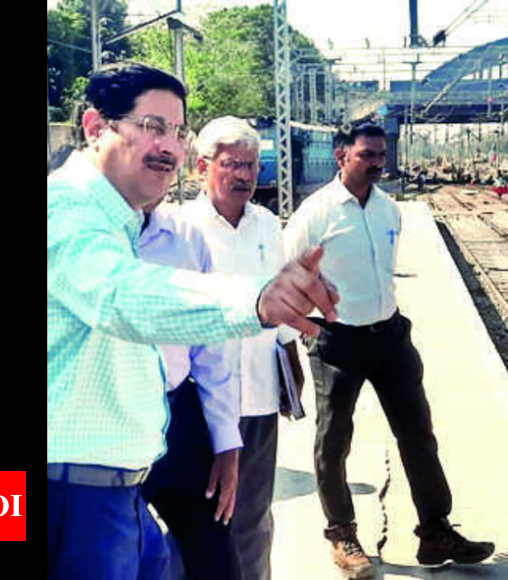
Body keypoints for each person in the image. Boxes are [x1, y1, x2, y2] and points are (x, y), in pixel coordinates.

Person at [48, 63, 338, 580]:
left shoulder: (119, 220)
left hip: (116, 488)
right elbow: (119, 296)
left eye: (177, 131)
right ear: (95, 128)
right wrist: (256, 300)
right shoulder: (64, 210)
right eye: (152, 126)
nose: (169, 146)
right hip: (67, 496)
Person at [282, 124, 495, 579]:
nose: (378, 161)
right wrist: (307, 330)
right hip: (338, 340)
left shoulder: (388, 210)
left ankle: (435, 530)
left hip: (390, 335)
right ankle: (342, 534)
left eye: (381, 153)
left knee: (418, 432)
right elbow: (288, 274)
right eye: (367, 154)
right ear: (342, 156)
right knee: (334, 440)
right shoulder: (316, 213)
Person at [180, 116, 301, 580]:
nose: (244, 175)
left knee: (252, 517)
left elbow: (282, 297)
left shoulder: (268, 226)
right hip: (199, 402)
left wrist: (290, 360)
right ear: (202, 166)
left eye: (251, 165)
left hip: (257, 399)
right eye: (232, 164)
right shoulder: (181, 228)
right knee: (198, 518)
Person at [136, 197, 244, 580]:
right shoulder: (74, 241)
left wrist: (226, 441)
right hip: (87, 442)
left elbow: (211, 349)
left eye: (172, 133)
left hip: (176, 416)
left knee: (216, 559)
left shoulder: (184, 238)